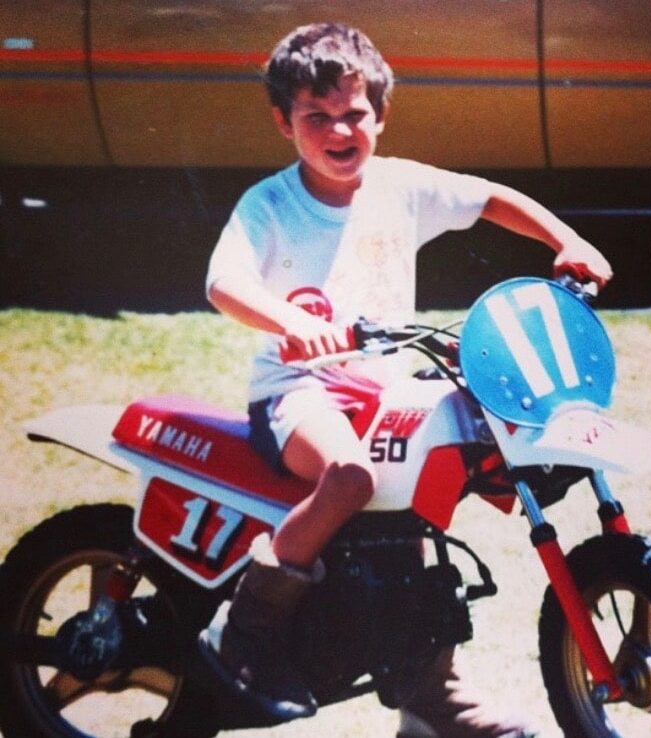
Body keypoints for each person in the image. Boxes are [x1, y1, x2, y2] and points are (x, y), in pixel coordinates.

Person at [200, 21, 612, 738]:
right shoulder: (269, 205)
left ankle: (429, 687)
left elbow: (487, 199)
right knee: (352, 478)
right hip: (299, 390)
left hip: (383, 386)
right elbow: (222, 282)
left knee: (446, 477)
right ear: (282, 122)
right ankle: (243, 632)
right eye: (316, 116)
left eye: (354, 113)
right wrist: (286, 322)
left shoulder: (400, 187)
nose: (338, 130)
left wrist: (565, 240)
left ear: (381, 113)